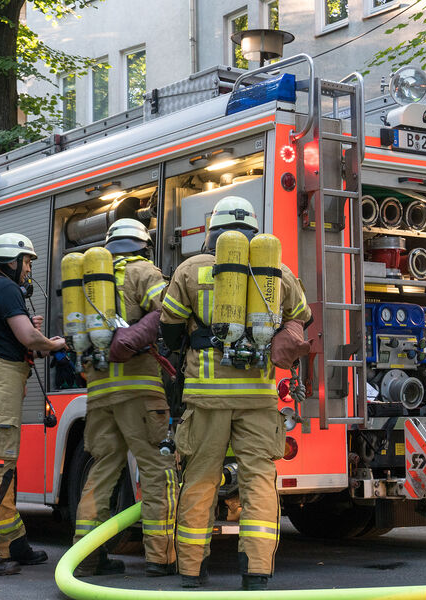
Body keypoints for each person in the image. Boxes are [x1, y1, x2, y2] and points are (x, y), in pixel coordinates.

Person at [159, 196, 311, 591]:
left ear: (212, 233)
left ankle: (191, 571)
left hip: (206, 398)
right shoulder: (276, 271)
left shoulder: (190, 269)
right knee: (258, 480)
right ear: (254, 232)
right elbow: (302, 318)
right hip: (258, 399)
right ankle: (256, 571)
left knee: (200, 480)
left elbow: (169, 327)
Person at [72, 218, 178, 577]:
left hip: (100, 391)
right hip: (139, 390)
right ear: (143, 246)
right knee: (156, 470)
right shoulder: (142, 271)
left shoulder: (89, 280)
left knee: (101, 471)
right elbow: (167, 312)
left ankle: (87, 556)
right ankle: (160, 557)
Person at [0, 233, 65, 577]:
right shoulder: (6, 288)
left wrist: (33, 339)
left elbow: (13, 338)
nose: (29, 268)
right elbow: (28, 338)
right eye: (27, 261)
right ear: (11, 261)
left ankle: (9, 544)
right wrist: (55, 343)